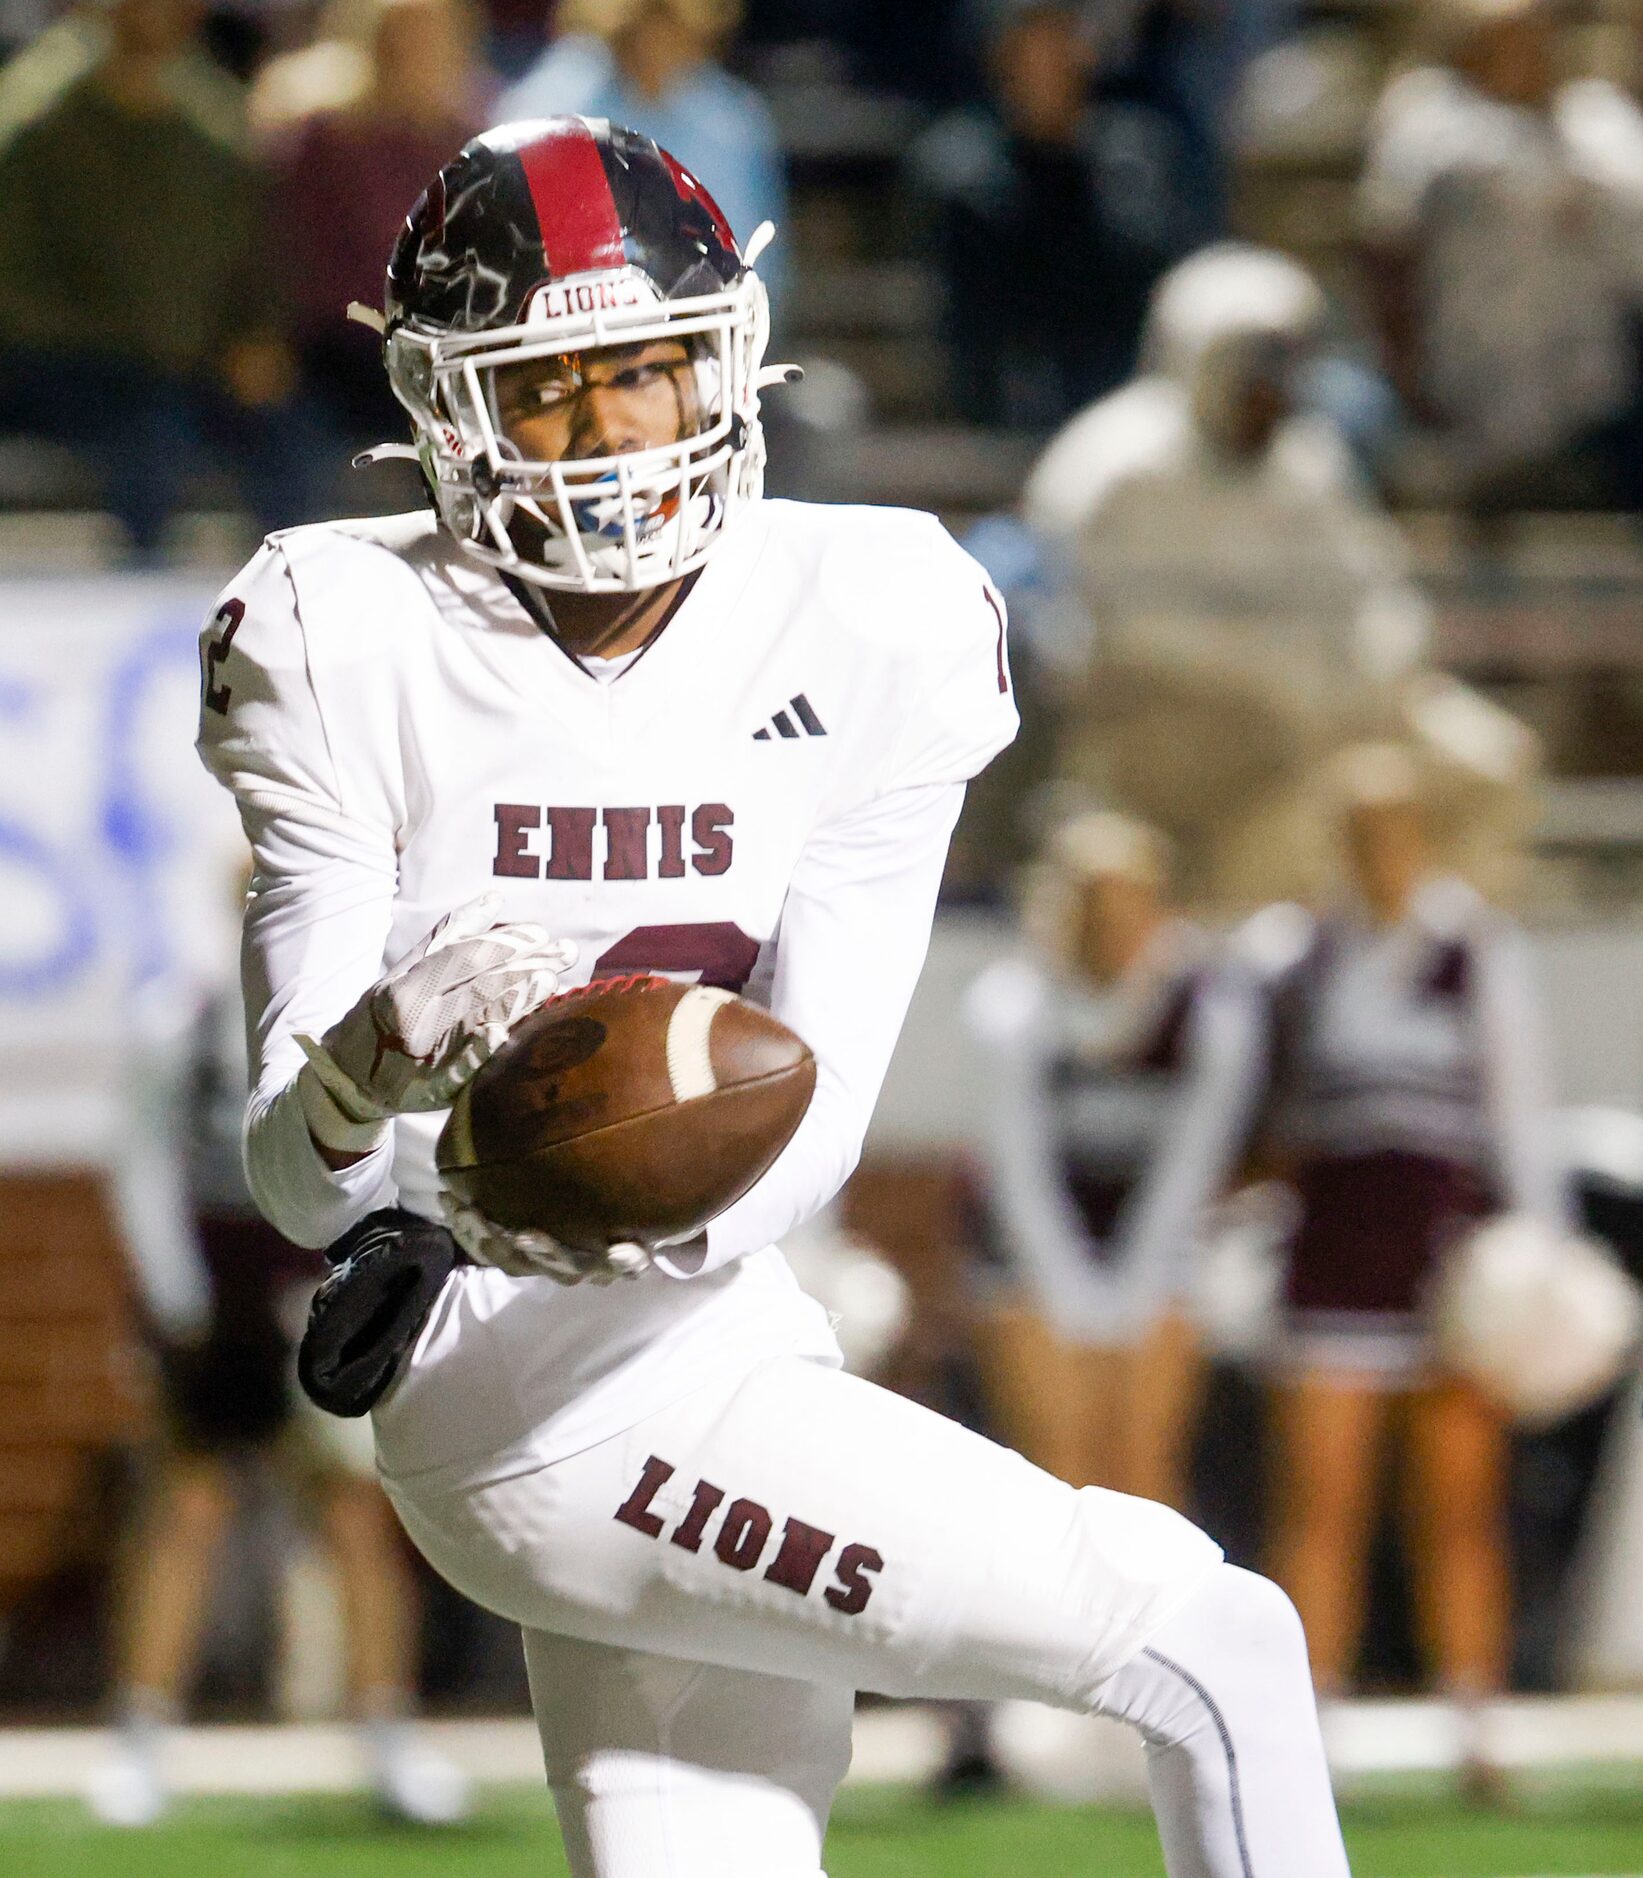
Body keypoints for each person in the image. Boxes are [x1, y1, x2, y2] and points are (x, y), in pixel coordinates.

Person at [196, 118, 1349, 1878]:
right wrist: (371, 1057)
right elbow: (300, 1180)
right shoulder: (342, 633)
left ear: (722, 362)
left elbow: (803, 1119)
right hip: (520, 1392)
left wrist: (565, 1188)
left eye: (643, 373)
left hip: (722, 1330)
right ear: (451, 411)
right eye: (549, 389)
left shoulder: (870, 615)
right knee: (1214, 1645)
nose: (603, 437)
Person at [88, 980, 469, 1829]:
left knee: (355, 1514)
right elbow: (145, 1160)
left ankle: (386, 1736)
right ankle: (140, 1738)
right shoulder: (182, 1020)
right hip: (218, 1291)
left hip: (319, 1283)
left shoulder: (362, 1003)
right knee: (188, 1509)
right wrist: (177, 1297)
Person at [1250, 743, 1564, 1771]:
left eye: (1394, 830)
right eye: (1359, 833)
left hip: (1447, 1263)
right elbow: (1266, 1118)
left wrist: (1537, 1262)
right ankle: (1308, 1716)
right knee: (1319, 1502)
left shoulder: (1478, 947)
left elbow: (1520, 1119)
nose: (1378, 852)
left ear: (1424, 836)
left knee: (1458, 1507)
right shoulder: (1295, 955)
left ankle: (1477, 1722)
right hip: (1329, 1254)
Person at [1024, 244, 1433, 910]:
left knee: (1475, 764)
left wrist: (1369, 670)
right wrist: (1271, 676)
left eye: (1285, 363)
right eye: (1250, 362)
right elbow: (1092, 633)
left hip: (1307, 724)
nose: (1270, 385)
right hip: (1159, 731)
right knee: (1273, 812)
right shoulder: (1114, 466)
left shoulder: (1309, 463)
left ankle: (1434, 971)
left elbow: (1378, 593)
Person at [963, 812, 1263, 1508]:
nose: (1113, 930)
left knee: (1143, 1474)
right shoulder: (1012, 1006)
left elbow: (1191, 1167)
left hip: (1159, 1254)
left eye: (1131, 908)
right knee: (1057, 1476)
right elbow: (1018, 1174)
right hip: (1029, 1261)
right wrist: (1071, 1296)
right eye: (1093, 909)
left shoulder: (1211, 1012)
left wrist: (1130, 1293)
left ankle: (1155, 1621)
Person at [1356, 0, 1643, 522]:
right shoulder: (1428, 121)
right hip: (1472, 374)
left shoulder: (1597, 116)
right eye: (1508, 42)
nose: (1531, 55)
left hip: (1596, 384)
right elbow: (1387, 238)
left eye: (1539, 39)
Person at [0, 0, 323, 561]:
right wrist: (139, 343)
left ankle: (294, 605)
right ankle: (134, 615)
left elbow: (249, 263)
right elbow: (16, 287)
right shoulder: (37, 117)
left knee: (293, 435)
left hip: (190, 367)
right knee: (152, 439)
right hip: (63, 365)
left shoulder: (213, 123)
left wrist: (255, 340)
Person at [905, 0, 1206, 428]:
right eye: (1035, 43)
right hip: (998, 414)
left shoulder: (1141, 158)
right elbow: (968, 323)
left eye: (1065, 39)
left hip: (1120, 405)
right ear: (1003, 55)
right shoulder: (958, 172)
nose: (1052, 61)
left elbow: (1151, 285)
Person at [269, 0, 490, 451]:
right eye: (400, 37)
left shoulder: (468, 139)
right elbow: (290, 250)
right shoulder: (328, 136)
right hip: (336, 347)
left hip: (436, 349)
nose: (414, 51)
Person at [496, 0, 789, 312]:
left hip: (705, 330)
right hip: (573, 329)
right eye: (646, 18)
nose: (656, 40)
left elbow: (756, 272)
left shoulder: (734, 124)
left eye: (670, 21)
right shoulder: (545, 112)